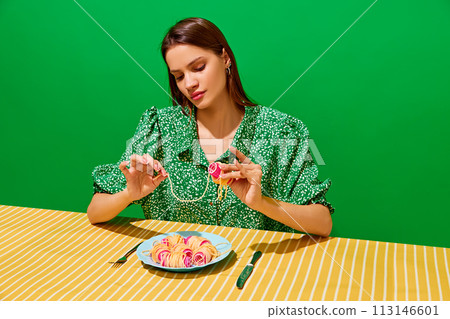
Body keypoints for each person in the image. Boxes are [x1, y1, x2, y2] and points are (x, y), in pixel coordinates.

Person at [87, 17, 334, 236]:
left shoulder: (281, 130)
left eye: (198, 67)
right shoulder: (159, 127)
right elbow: (95, 212)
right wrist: (129, 194)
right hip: (172, 278)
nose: (190, 83)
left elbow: (322, 223)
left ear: (225, 58)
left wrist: (261, 203)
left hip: (254, 277)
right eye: (179, 76)